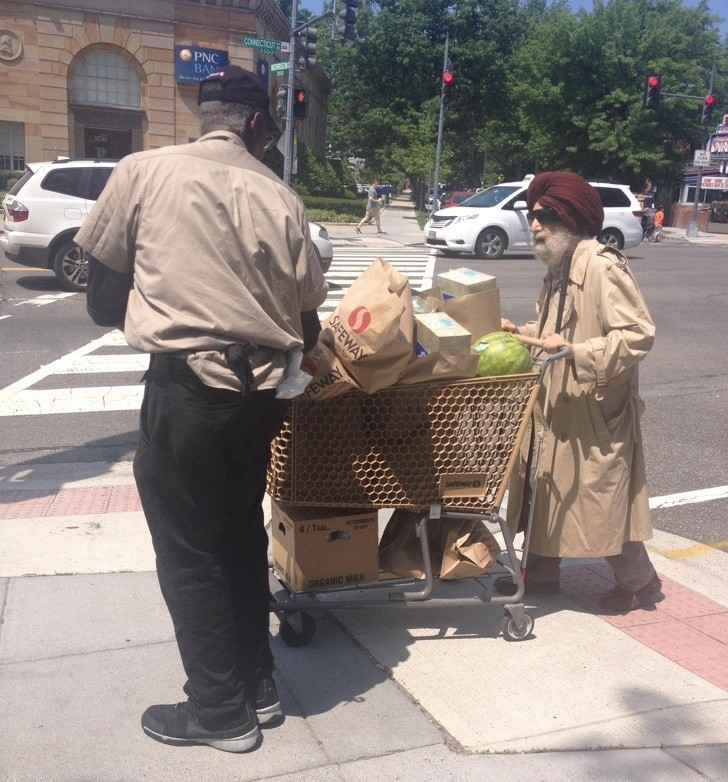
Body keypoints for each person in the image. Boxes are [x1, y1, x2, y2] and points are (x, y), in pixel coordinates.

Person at [76, 65, 328, 752]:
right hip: (262, 400)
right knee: (240, 535)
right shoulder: (283, 197)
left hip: (188, 391)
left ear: (205, 112)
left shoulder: (143, 171)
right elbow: (308, 326)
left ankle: (219, 712)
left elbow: (101, 301)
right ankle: (259, 686)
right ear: (258, 122)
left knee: (189, 551)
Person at [495, 171, 662, 614]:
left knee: (598, 499)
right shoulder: (559, 265)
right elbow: (552, 332)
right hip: (559, 399)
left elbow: (638, 335)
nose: (534, 224)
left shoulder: (602, 266)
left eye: (544, 217)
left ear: (569, 219)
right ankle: (542, 575)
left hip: (594, 404)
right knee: (545, 486)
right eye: (532, 216)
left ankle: (640, 581)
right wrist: (520, 332)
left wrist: (577, 351)